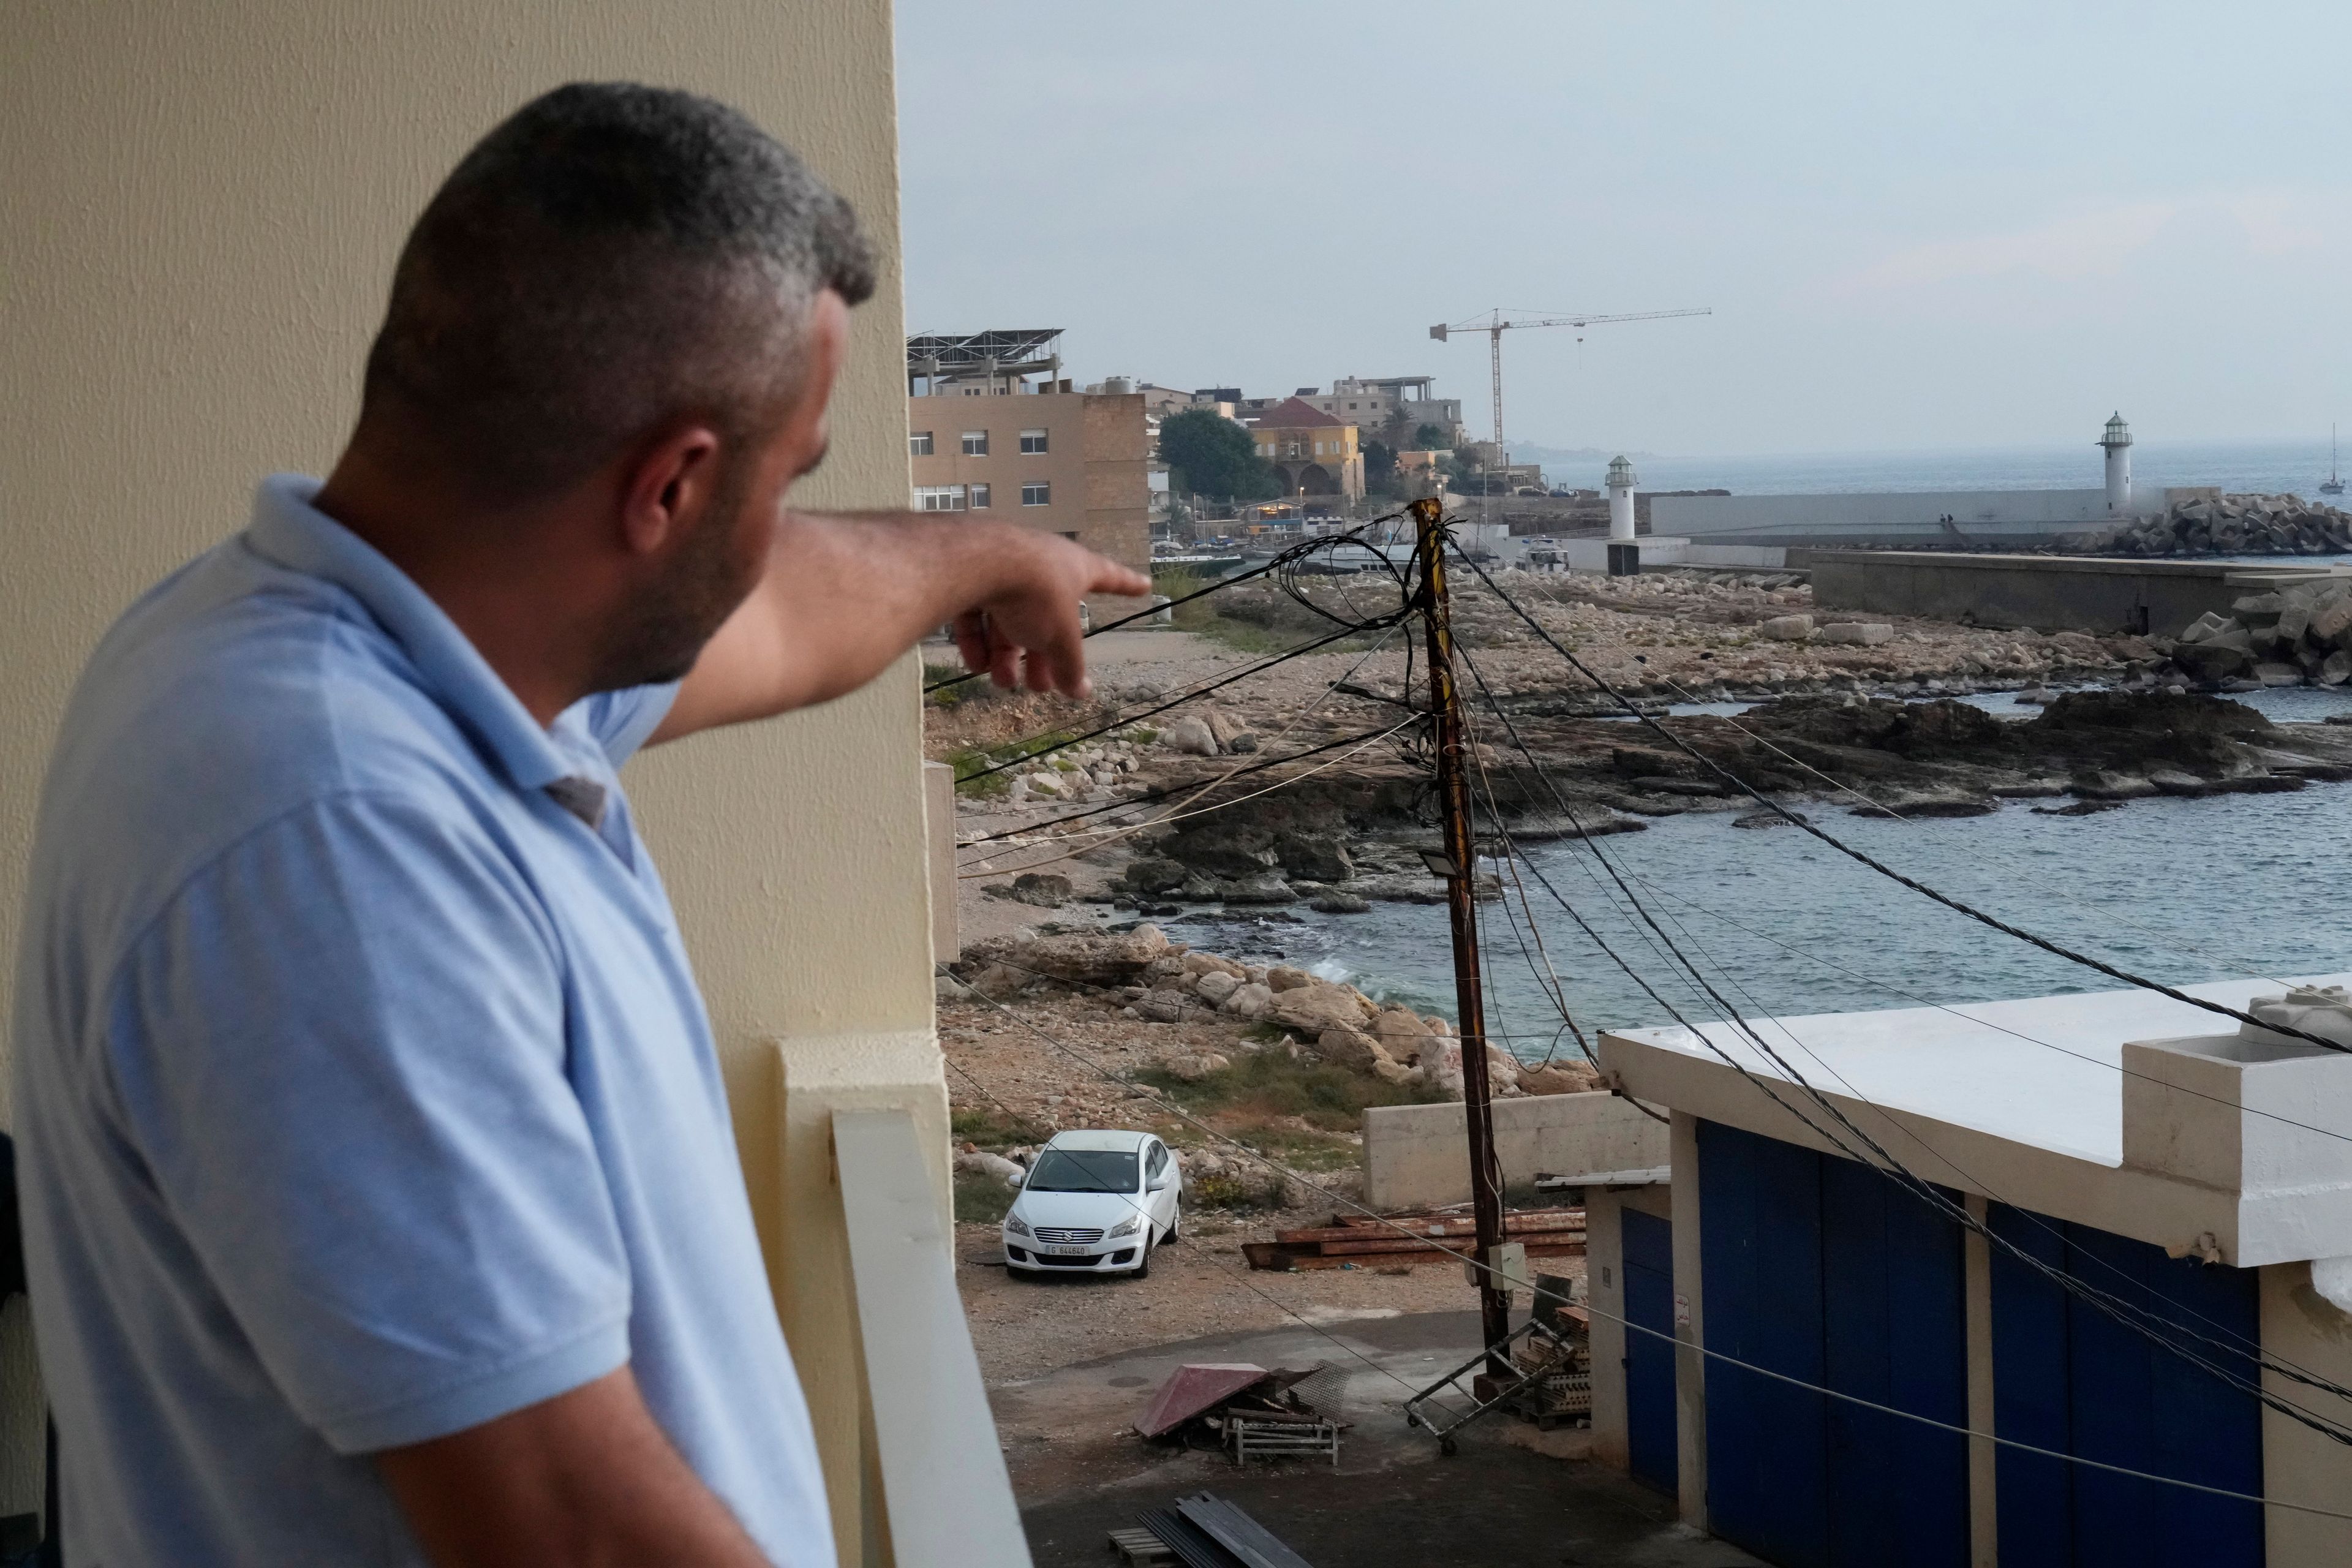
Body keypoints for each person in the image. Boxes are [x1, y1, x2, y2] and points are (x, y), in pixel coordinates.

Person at [10, 82, 1147, 1567]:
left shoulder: (367, 651)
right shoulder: (340, 839)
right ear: (668, 486)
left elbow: (798, 603)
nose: (786, 525)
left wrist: (998, 550)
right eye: (784, 473)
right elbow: (574, 1532)